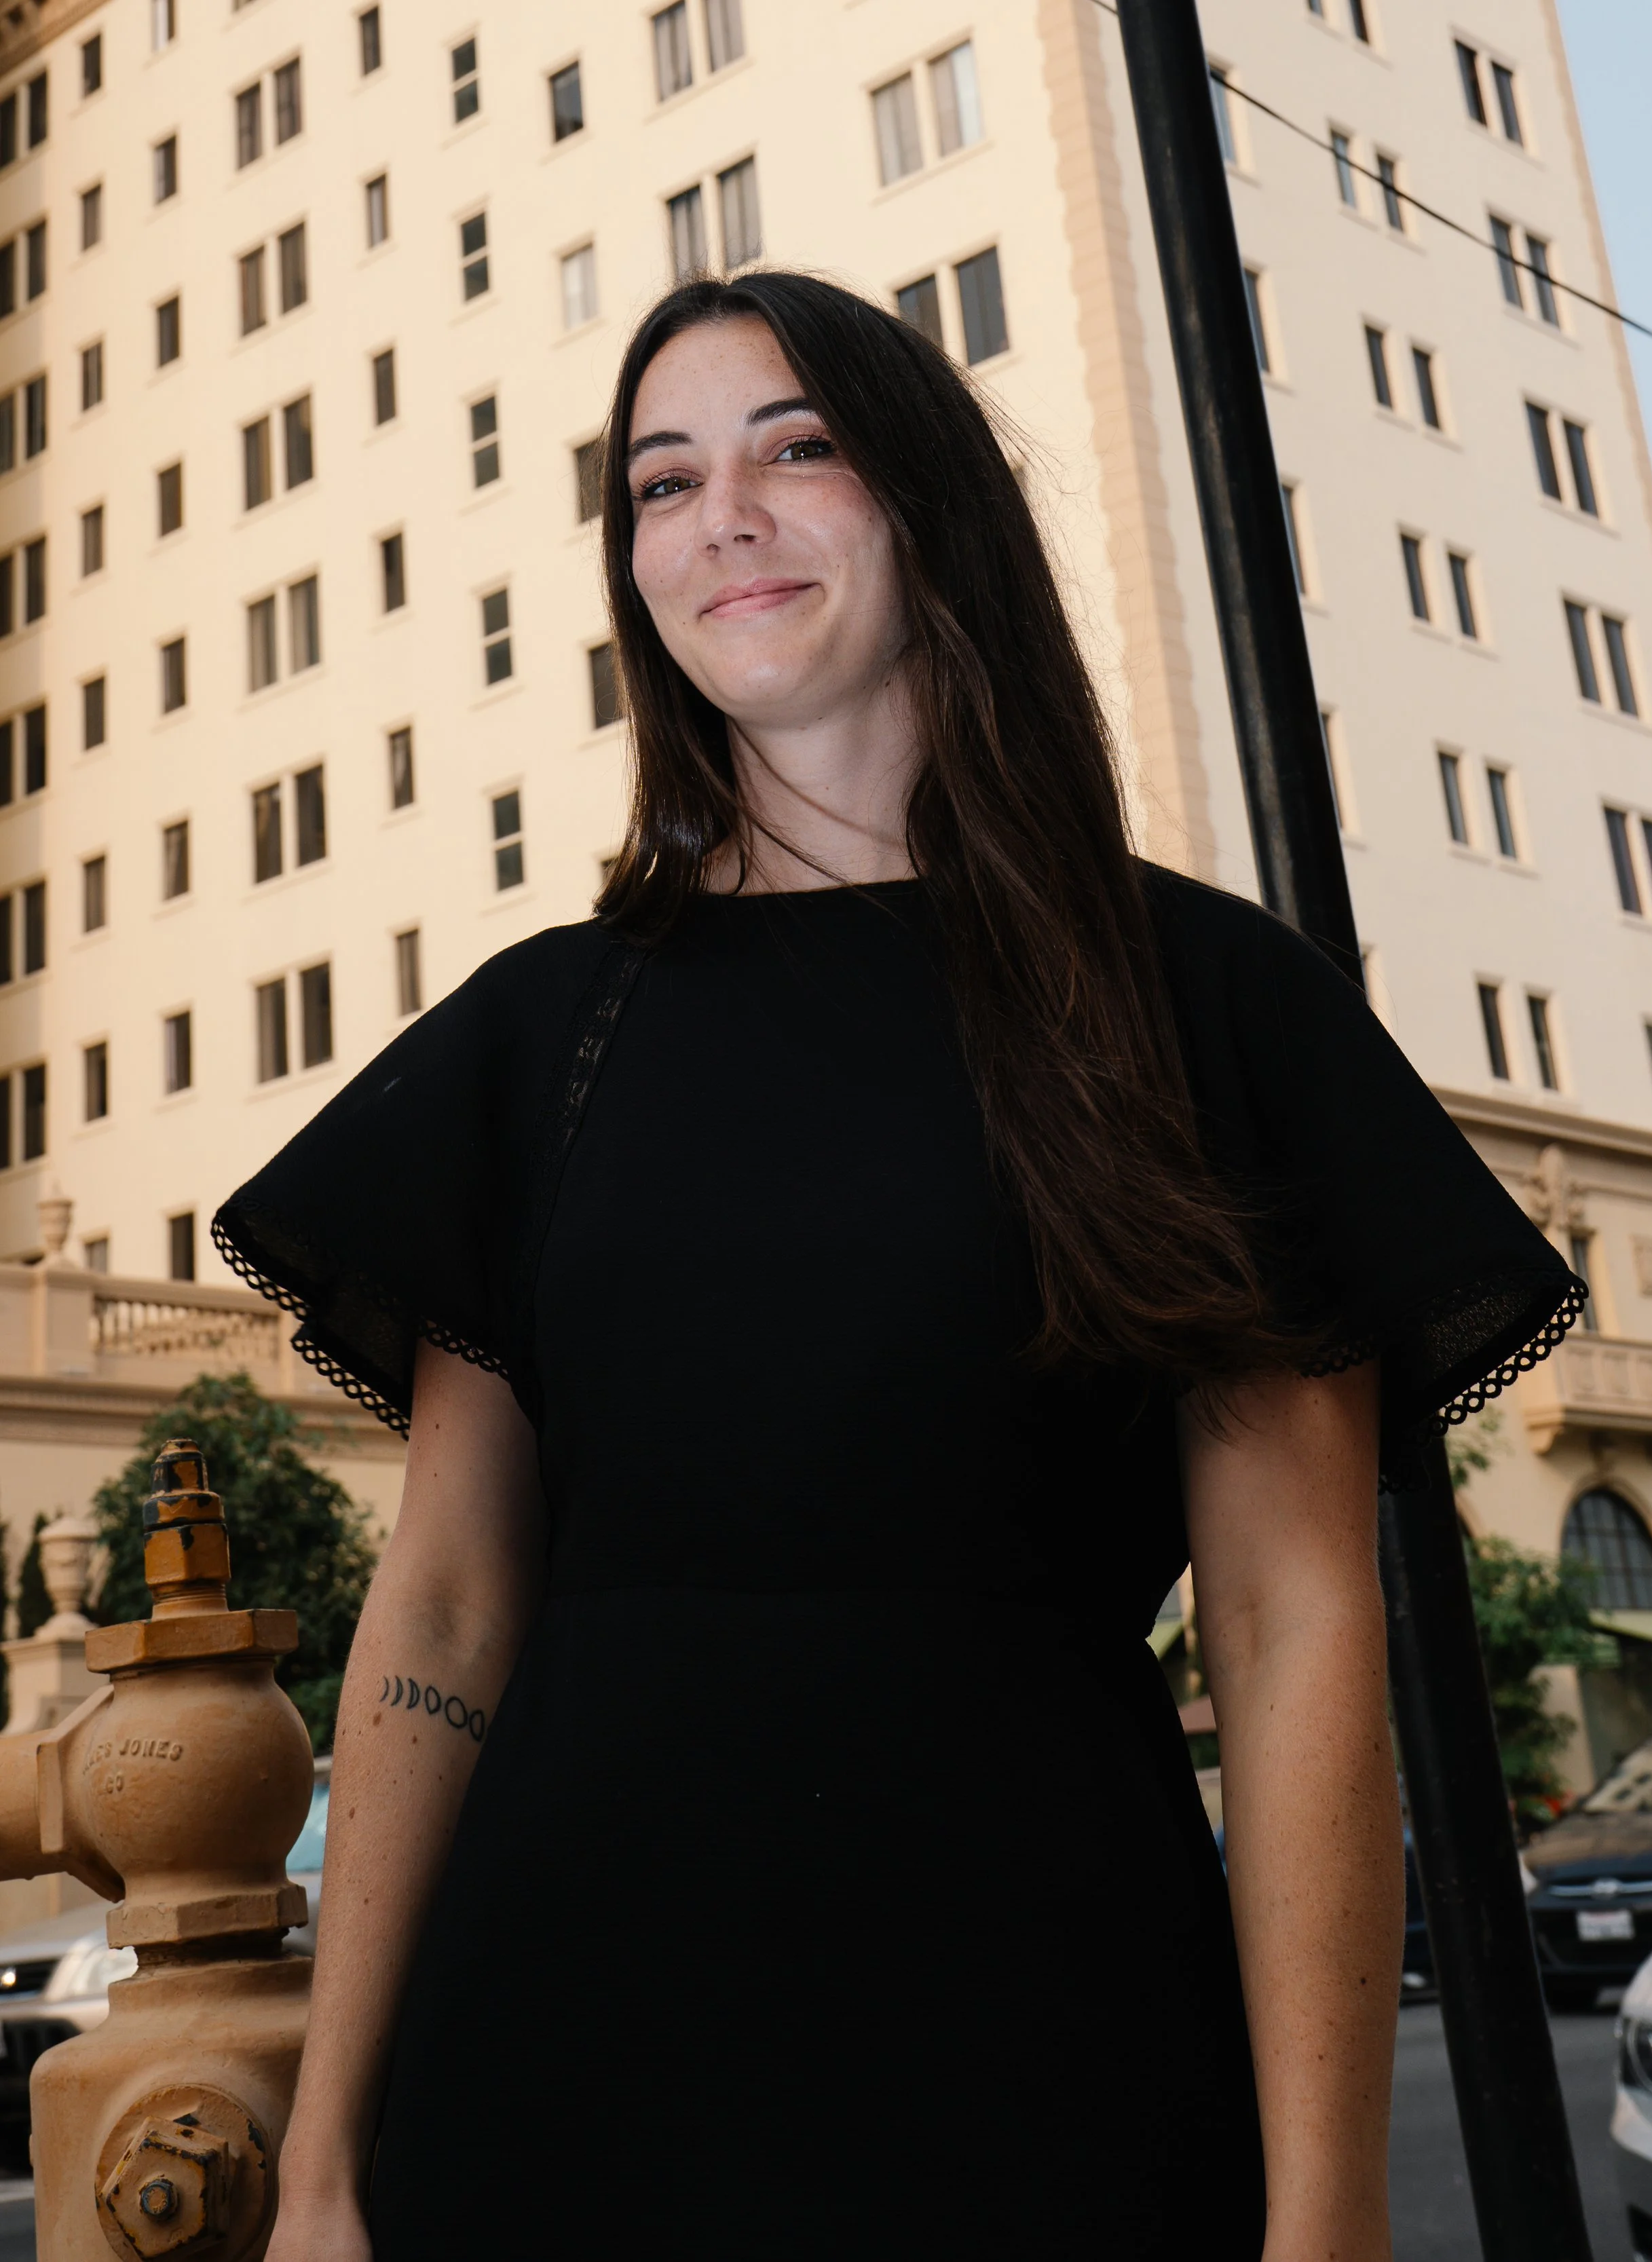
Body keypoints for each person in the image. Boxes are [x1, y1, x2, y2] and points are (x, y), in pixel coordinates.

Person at [220, 272, 1581, 2261]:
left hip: (1045, 2062)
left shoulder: (1195, 1005)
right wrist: (327, 2170)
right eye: (661, 481)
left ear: (930, 511)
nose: (723, 518)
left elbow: (1292, 1633)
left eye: (798, 451)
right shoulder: (544, 1038)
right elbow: (439, 1605)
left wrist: (1327, 2212)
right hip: (549, 2075)